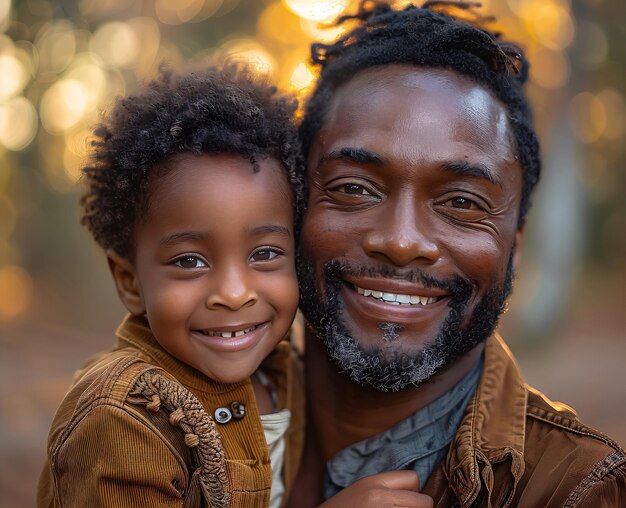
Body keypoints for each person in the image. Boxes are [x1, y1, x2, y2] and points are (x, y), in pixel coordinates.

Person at [290, 2, 626, 507]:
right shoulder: (163, 422)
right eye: (355, 188)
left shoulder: (574, 489)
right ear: (293, 207)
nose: (402, 241)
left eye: (463, 202)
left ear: (515, 245)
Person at [37, 66, 306, 508]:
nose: (235, 293)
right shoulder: (123, 421)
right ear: (130, 282)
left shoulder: (285, 371)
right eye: (190, 261)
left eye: (264, 254)